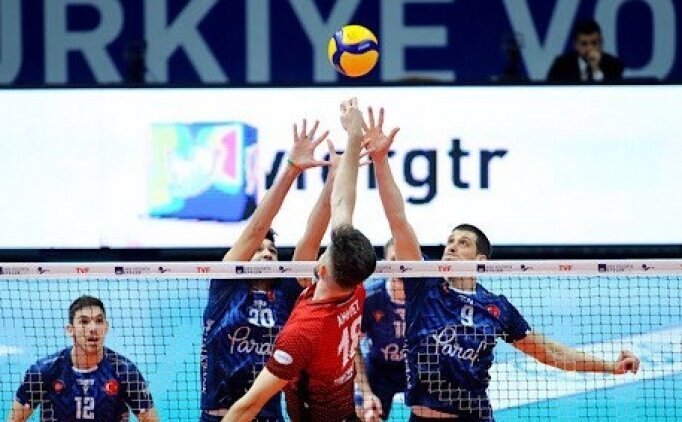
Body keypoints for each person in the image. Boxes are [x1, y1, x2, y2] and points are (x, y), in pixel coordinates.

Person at [364, 105, 641, 421]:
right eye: (450, 241)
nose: (452, 246)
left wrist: (611, 366)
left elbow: (550, 353)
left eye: (463, 243)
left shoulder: (496, 308)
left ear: (480, 260)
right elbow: (398, 219)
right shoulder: (423, 283)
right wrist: (381, 161)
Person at [223, 97, 377, 422]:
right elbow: (343, 202)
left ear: (321, 268)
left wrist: (353, 135)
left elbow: (248, 406)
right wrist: (353, 138)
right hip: (345, 413)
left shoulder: (303, 330)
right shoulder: (356, 289)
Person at [200, 119, 333, 421]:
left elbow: (312, 237)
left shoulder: (288, 292)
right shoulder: (225, 287)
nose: (266, 254)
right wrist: (291, 169)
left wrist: (335, 178)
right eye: (259, 249)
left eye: (272, 251)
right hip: (220, 415)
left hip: (268, 416)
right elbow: (257, 226)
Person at [8, 295, 160, 422]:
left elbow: (150, 420)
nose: (93, 328)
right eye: (84, 322)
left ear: (106, 327)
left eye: (99, 321)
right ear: (70, 330)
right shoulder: (43, 371)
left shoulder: (125, 371)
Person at [354, 239, 406, 421]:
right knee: (364, 414)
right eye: (394, 259)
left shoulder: (427, 294)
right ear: (385, 264)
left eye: (405, 259)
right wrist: (366, 392)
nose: (400, 266)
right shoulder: (371, 297)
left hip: (416, 370)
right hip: (378, 368)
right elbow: (352, 346)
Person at [547, 19, 624, 82]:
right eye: (584, 44)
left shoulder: (613, 65)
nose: (589, 48)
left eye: (594, 43)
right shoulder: (561, 65)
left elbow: (612, 92)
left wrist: (596, 69)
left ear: (601, 43)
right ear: (575, 45)